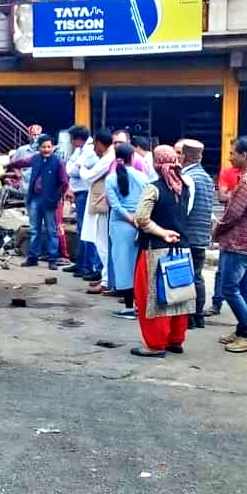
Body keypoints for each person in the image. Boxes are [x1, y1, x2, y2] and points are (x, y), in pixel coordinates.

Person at [131, 145, 196, 357]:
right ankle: (175, 340)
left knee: (154, 296)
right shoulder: (184, 186)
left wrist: (161, 232)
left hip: (156, 250)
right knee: (178, 293)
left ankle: (156, 344)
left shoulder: (154, 188)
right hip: (182, 248)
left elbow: (141, 218)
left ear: (157, 164)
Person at [211, 136, 247, 353]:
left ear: (244, 154)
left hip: (239, 241)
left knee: (229, 288)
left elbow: (234, 213)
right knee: (244, 287)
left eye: (233, 153)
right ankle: (242, 330)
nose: (230, 157)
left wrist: (218, 230)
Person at [5, 133, 69, 270]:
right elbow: (22, 162)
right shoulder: (35, 158)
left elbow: (64, 182)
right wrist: (9, 165)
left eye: (49, 147)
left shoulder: (58, 162)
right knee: (35, 230)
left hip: (50, 201)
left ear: (53, 147)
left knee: (51, 231)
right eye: (43, 147)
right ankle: (33, 258)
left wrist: (58, 197)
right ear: (38, 148)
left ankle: (53, 259)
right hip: (34, 199)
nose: (46, 149)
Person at [105, 143, 150, 320]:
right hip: (139, 225)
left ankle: (129, 306)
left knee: (123, 266)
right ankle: (140, 304)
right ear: (133, 157)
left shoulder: (111, 179)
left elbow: (115, 206)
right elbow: (147, 201)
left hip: (120, 225)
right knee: (138, 267)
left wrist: (129, 218)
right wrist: (138, 219)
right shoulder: (142, 177)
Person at [179, 139, 214, 328]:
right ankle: (198, 317)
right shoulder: (207, 177)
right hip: (201, 235)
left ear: (184, 156)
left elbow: (186, 208)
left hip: (189, 234)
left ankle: (189, 318)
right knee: (197, 276)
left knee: (186, 276)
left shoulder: (188, 177)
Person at [81, 129, 116, 294]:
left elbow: (89, 176)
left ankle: (107, 280)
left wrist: (80, 168)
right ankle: (106, 277)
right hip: (104, 202)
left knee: (103, 244)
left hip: (104, 204)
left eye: (95, 144)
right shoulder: (108, 156)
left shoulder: (109, 158)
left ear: (100, 144)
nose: (94, 148)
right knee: (103, 243)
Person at [64, 126, 99, 277]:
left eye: (72, 139)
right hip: (79, 193)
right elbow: (69, 168)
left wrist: (74, 168)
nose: (70, 142)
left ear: (78, 138)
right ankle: (80, 263)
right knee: (81, 229)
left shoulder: (90, 151)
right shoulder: (80, 150)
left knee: (87, 230)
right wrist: (74, 168)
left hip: (85, 193)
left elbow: (73, 171)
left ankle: (87, 266)